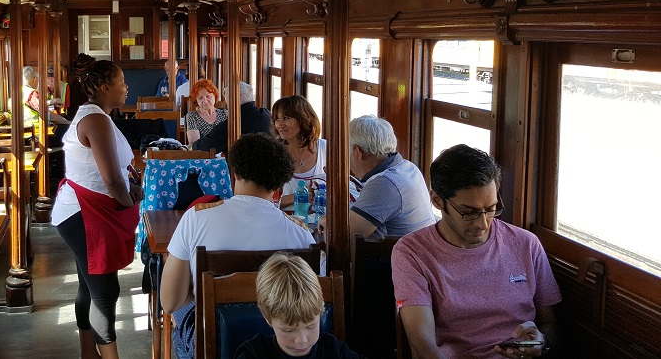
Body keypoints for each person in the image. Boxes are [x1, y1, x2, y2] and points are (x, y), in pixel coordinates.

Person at [392, 144, 561, 359]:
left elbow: (550, 324)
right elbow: (422, 342)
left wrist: (542, 342)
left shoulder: (526, 244)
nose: (483, 223)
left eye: (490, 209)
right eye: (469, 212)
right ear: (437, 201)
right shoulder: (412, 252)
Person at [160, 133, 315, 359]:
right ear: (279, 184)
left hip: (216, 340)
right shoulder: (301, 234)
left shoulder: (197, 218)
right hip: (279, 343)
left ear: (236, 173)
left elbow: (169, 301)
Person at [51, 57, 144, 359]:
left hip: (83, 208)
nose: (126, 88)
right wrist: (133, 206)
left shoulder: (97, 116)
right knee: (104, 291)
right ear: (105, 88)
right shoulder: (96, 120)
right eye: (121, 83)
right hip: (83, 212)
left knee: (89, 288)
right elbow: (113, 180)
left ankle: (87, 354)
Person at [235, 253, 366, 359]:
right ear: (267, 318)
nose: (302, 340)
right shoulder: (253, 354)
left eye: (311, 326)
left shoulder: (333, 351)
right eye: (288, 330)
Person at [347, 115, 434, 240]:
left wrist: (323, 220)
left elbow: (344, 233)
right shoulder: (407, 167)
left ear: (357, 151)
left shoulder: (385, 183)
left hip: (396, 257)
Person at [271, 95, 326, 211]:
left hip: (320, 222)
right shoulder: (273, 153)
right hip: (286, 222)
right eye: (277, 119)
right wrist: (297, 196)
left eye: (285, 118)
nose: (280, 125)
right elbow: (264, 203)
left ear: (303, 119)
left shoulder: (325, 148)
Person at [192, 82, 271, 155]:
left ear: (231, 100)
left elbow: (201, 147)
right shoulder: (268, 115)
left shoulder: (230, 125)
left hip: (241, 169)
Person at [184, 79, 227, 146]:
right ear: (196, 101)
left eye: (208, 96)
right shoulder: (192, 116)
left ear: (215, 97)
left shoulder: (225, 114)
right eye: (200, 98)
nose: (205, 101)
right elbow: (194, 144)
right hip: (203, 155)